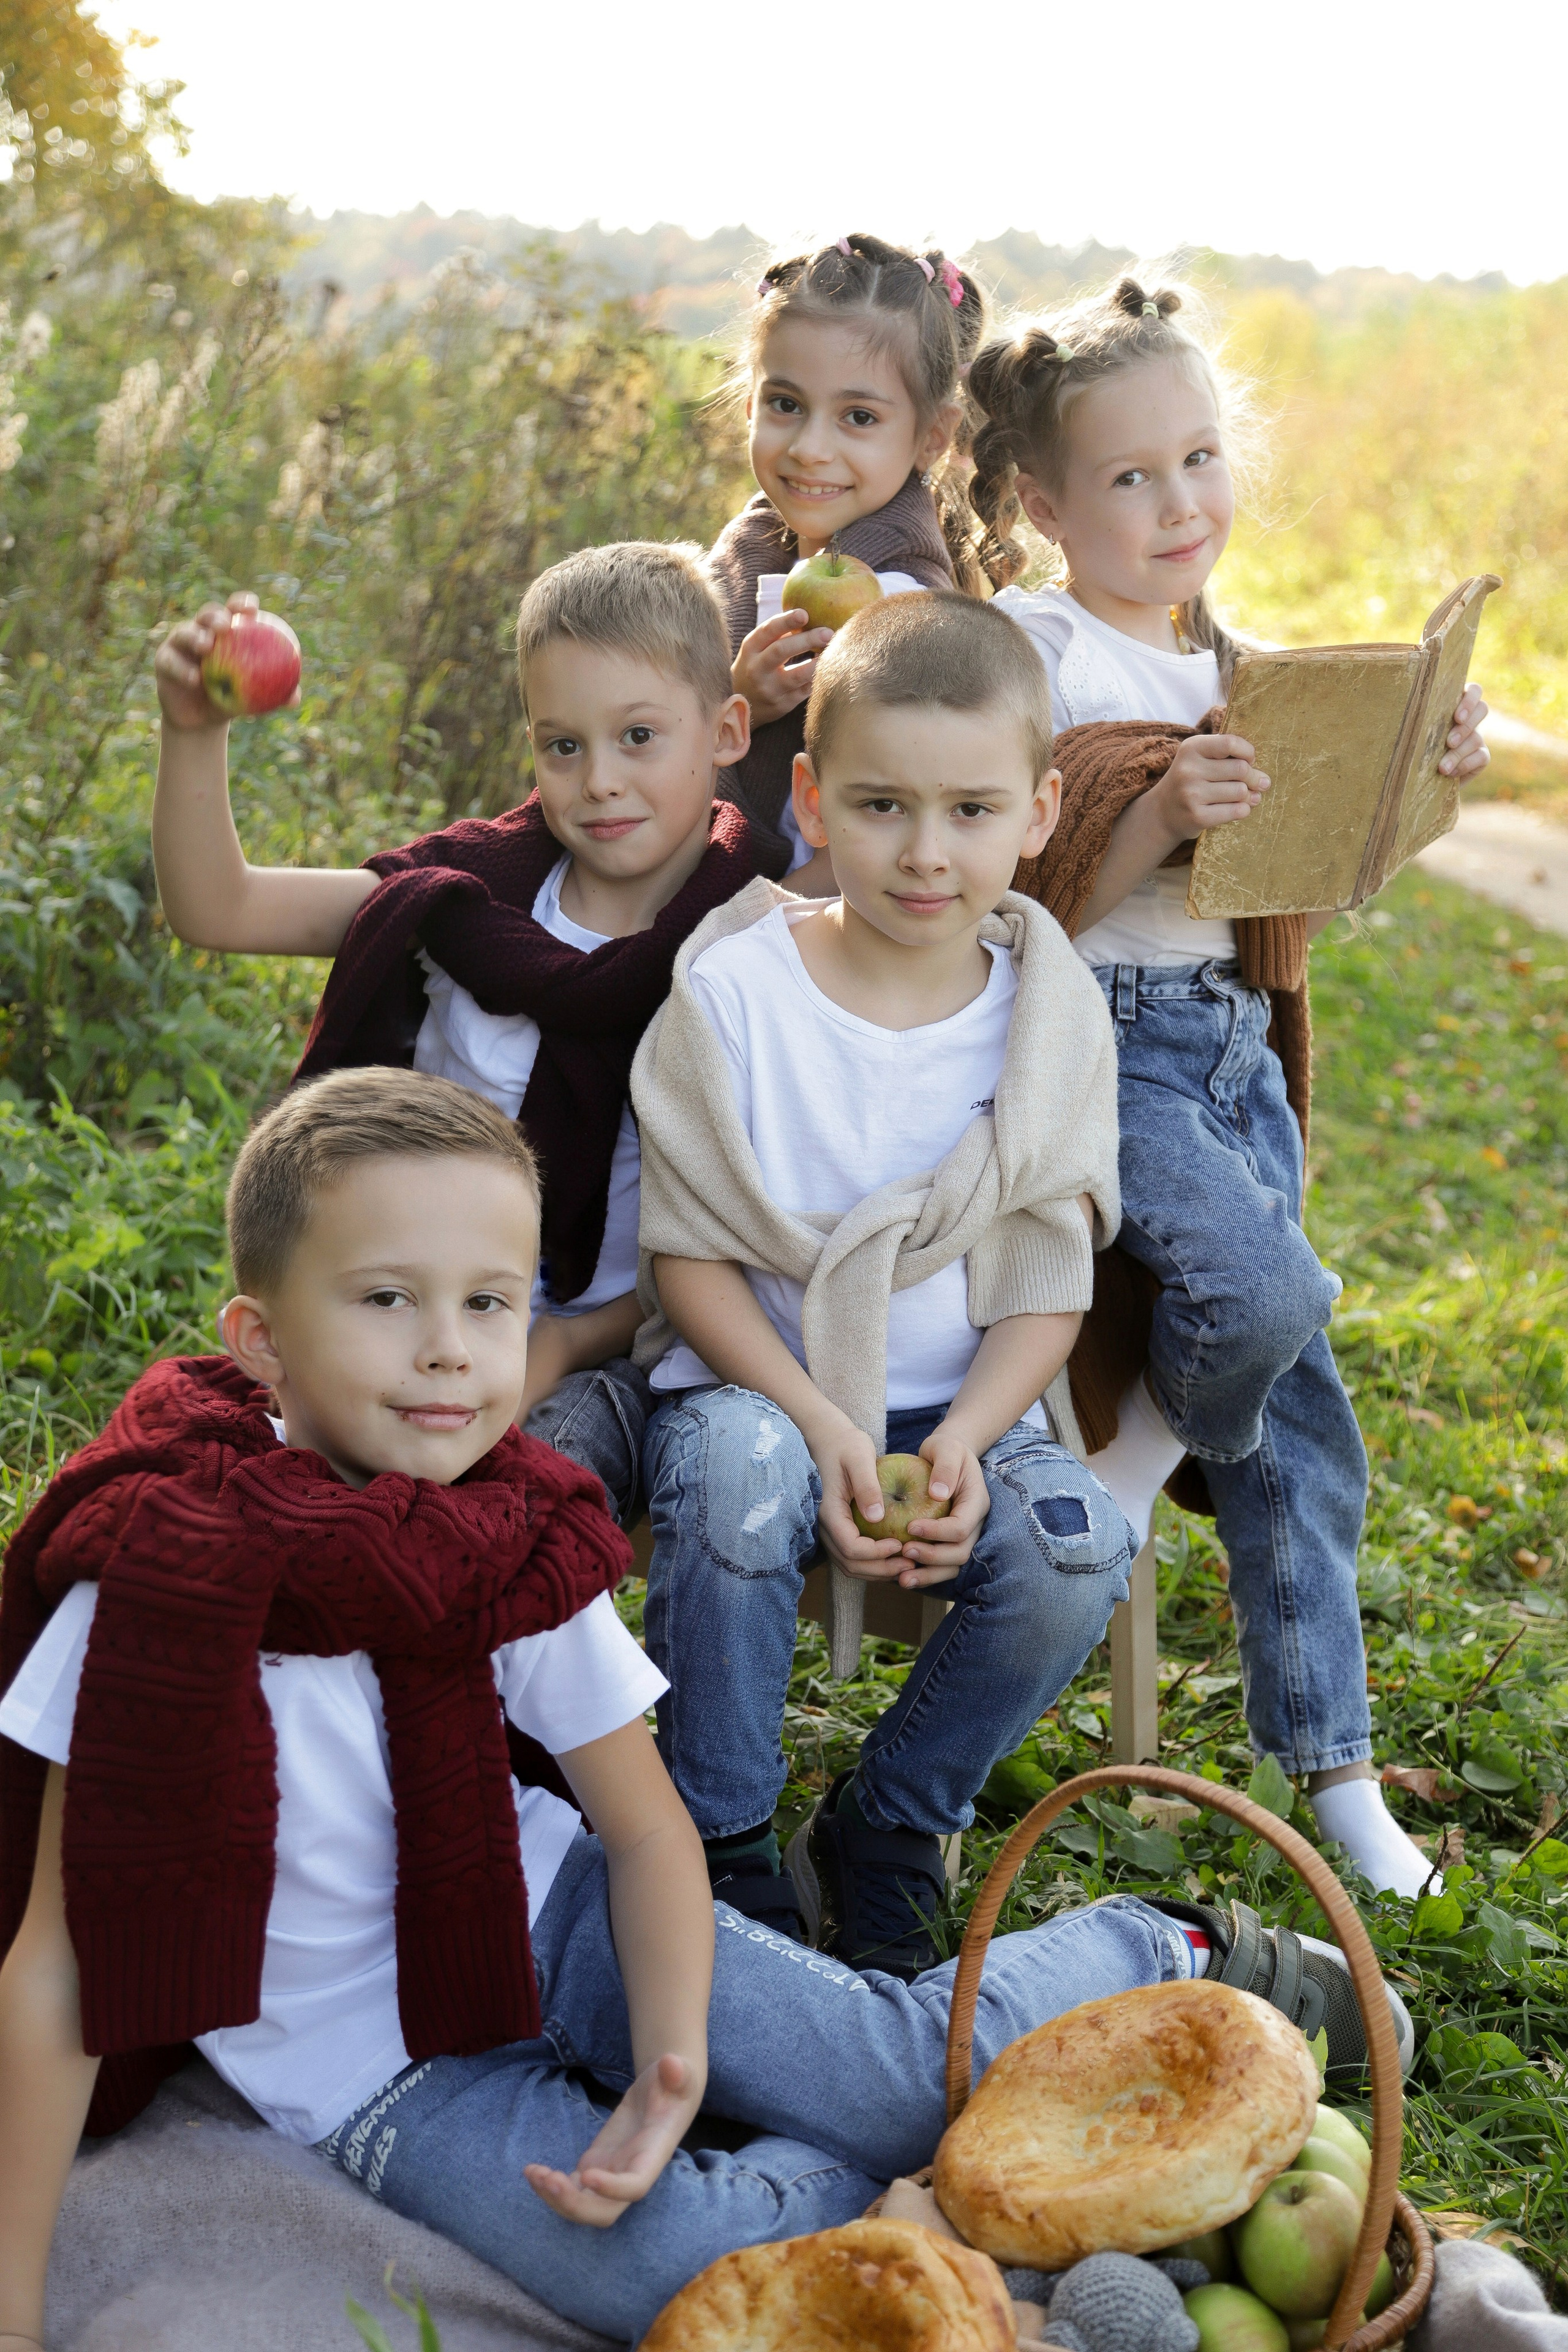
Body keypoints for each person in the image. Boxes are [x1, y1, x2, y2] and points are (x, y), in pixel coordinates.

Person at [0, 1065, 1408, 2350]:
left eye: (489, 1302)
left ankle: (1166, 1947)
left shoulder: (506, 1540)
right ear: (259, 1337)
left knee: (889, 2065)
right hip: (378, 2073)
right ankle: (925, 2198)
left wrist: (674, 2063)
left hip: (551, 1910)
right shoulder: (160, 1583)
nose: (448, 1351)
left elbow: (643, 1825)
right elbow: (62, 1962)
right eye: (385, 1298)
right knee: (656, 2268)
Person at [963, 271, 1492, 1898]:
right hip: (1095, 1039)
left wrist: (1422, 786)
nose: (1179, 502)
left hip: (1230, 1051)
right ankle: (1123, 1471)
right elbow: (1024, 881)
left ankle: (1335, 1774)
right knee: (1266, 1297)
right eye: (1131, 477)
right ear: (1043, 503)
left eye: (1200, 459)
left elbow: (1305, 889)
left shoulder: (1241, 664)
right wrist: (1154, 809)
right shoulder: (1038, 652)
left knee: (1307, 1442)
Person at [631, 589, 1136, 1970]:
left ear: (1037, 811)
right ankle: (720, 1835)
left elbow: (1045, 1274)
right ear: (808, 794)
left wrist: (968, 1440)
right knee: (736, 1477)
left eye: (972, 812)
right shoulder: (735, 994)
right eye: (880, 807)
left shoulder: (1044, 1014)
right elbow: (689, 1260)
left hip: (954, 1413)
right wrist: (822, 1424)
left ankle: (893, 1819)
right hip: (765, 1394)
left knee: (1082, 1547)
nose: (926, 855)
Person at [150, 541, 763, 1525]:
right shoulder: (460, 904)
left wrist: (554, 1349)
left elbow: (740, 1233)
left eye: (639, 736)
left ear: (728, 728)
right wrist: (192, 731)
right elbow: (220, 908)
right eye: (563, 745)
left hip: (605, 1347)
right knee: (231, 1496)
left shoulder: (752, 946)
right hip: (400, 1319)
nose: (599, 780)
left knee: (515, 1503)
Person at [708, 231, 987, 889]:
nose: (809, 447)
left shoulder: (901, 607)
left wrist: (729, 932)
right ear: (750, 407)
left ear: (930, 438)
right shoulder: (744, 556)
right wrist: (740, 698)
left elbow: (896, 836)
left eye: (858, 417)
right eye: (785, 405)